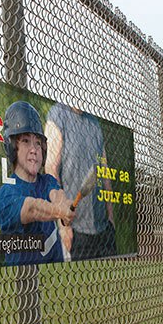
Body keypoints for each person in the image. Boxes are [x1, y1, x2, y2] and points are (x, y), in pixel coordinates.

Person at [0, 101, 75, 266]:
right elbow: (31, 208)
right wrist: (59, 211)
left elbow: (57, 195)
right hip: (22, 284)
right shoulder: (7, 191)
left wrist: (65, 207)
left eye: (38, 143)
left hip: (52, 282)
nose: (34, 149)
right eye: (26, 141)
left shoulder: (46, 181)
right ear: (13, 147)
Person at [44, 103, 117, 261]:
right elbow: (51, 169)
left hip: (104, 229)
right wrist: (63, 225)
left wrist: (111, 218)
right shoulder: (57, 114)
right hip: (75, 230)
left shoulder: (95, 122)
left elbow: (104, 172)